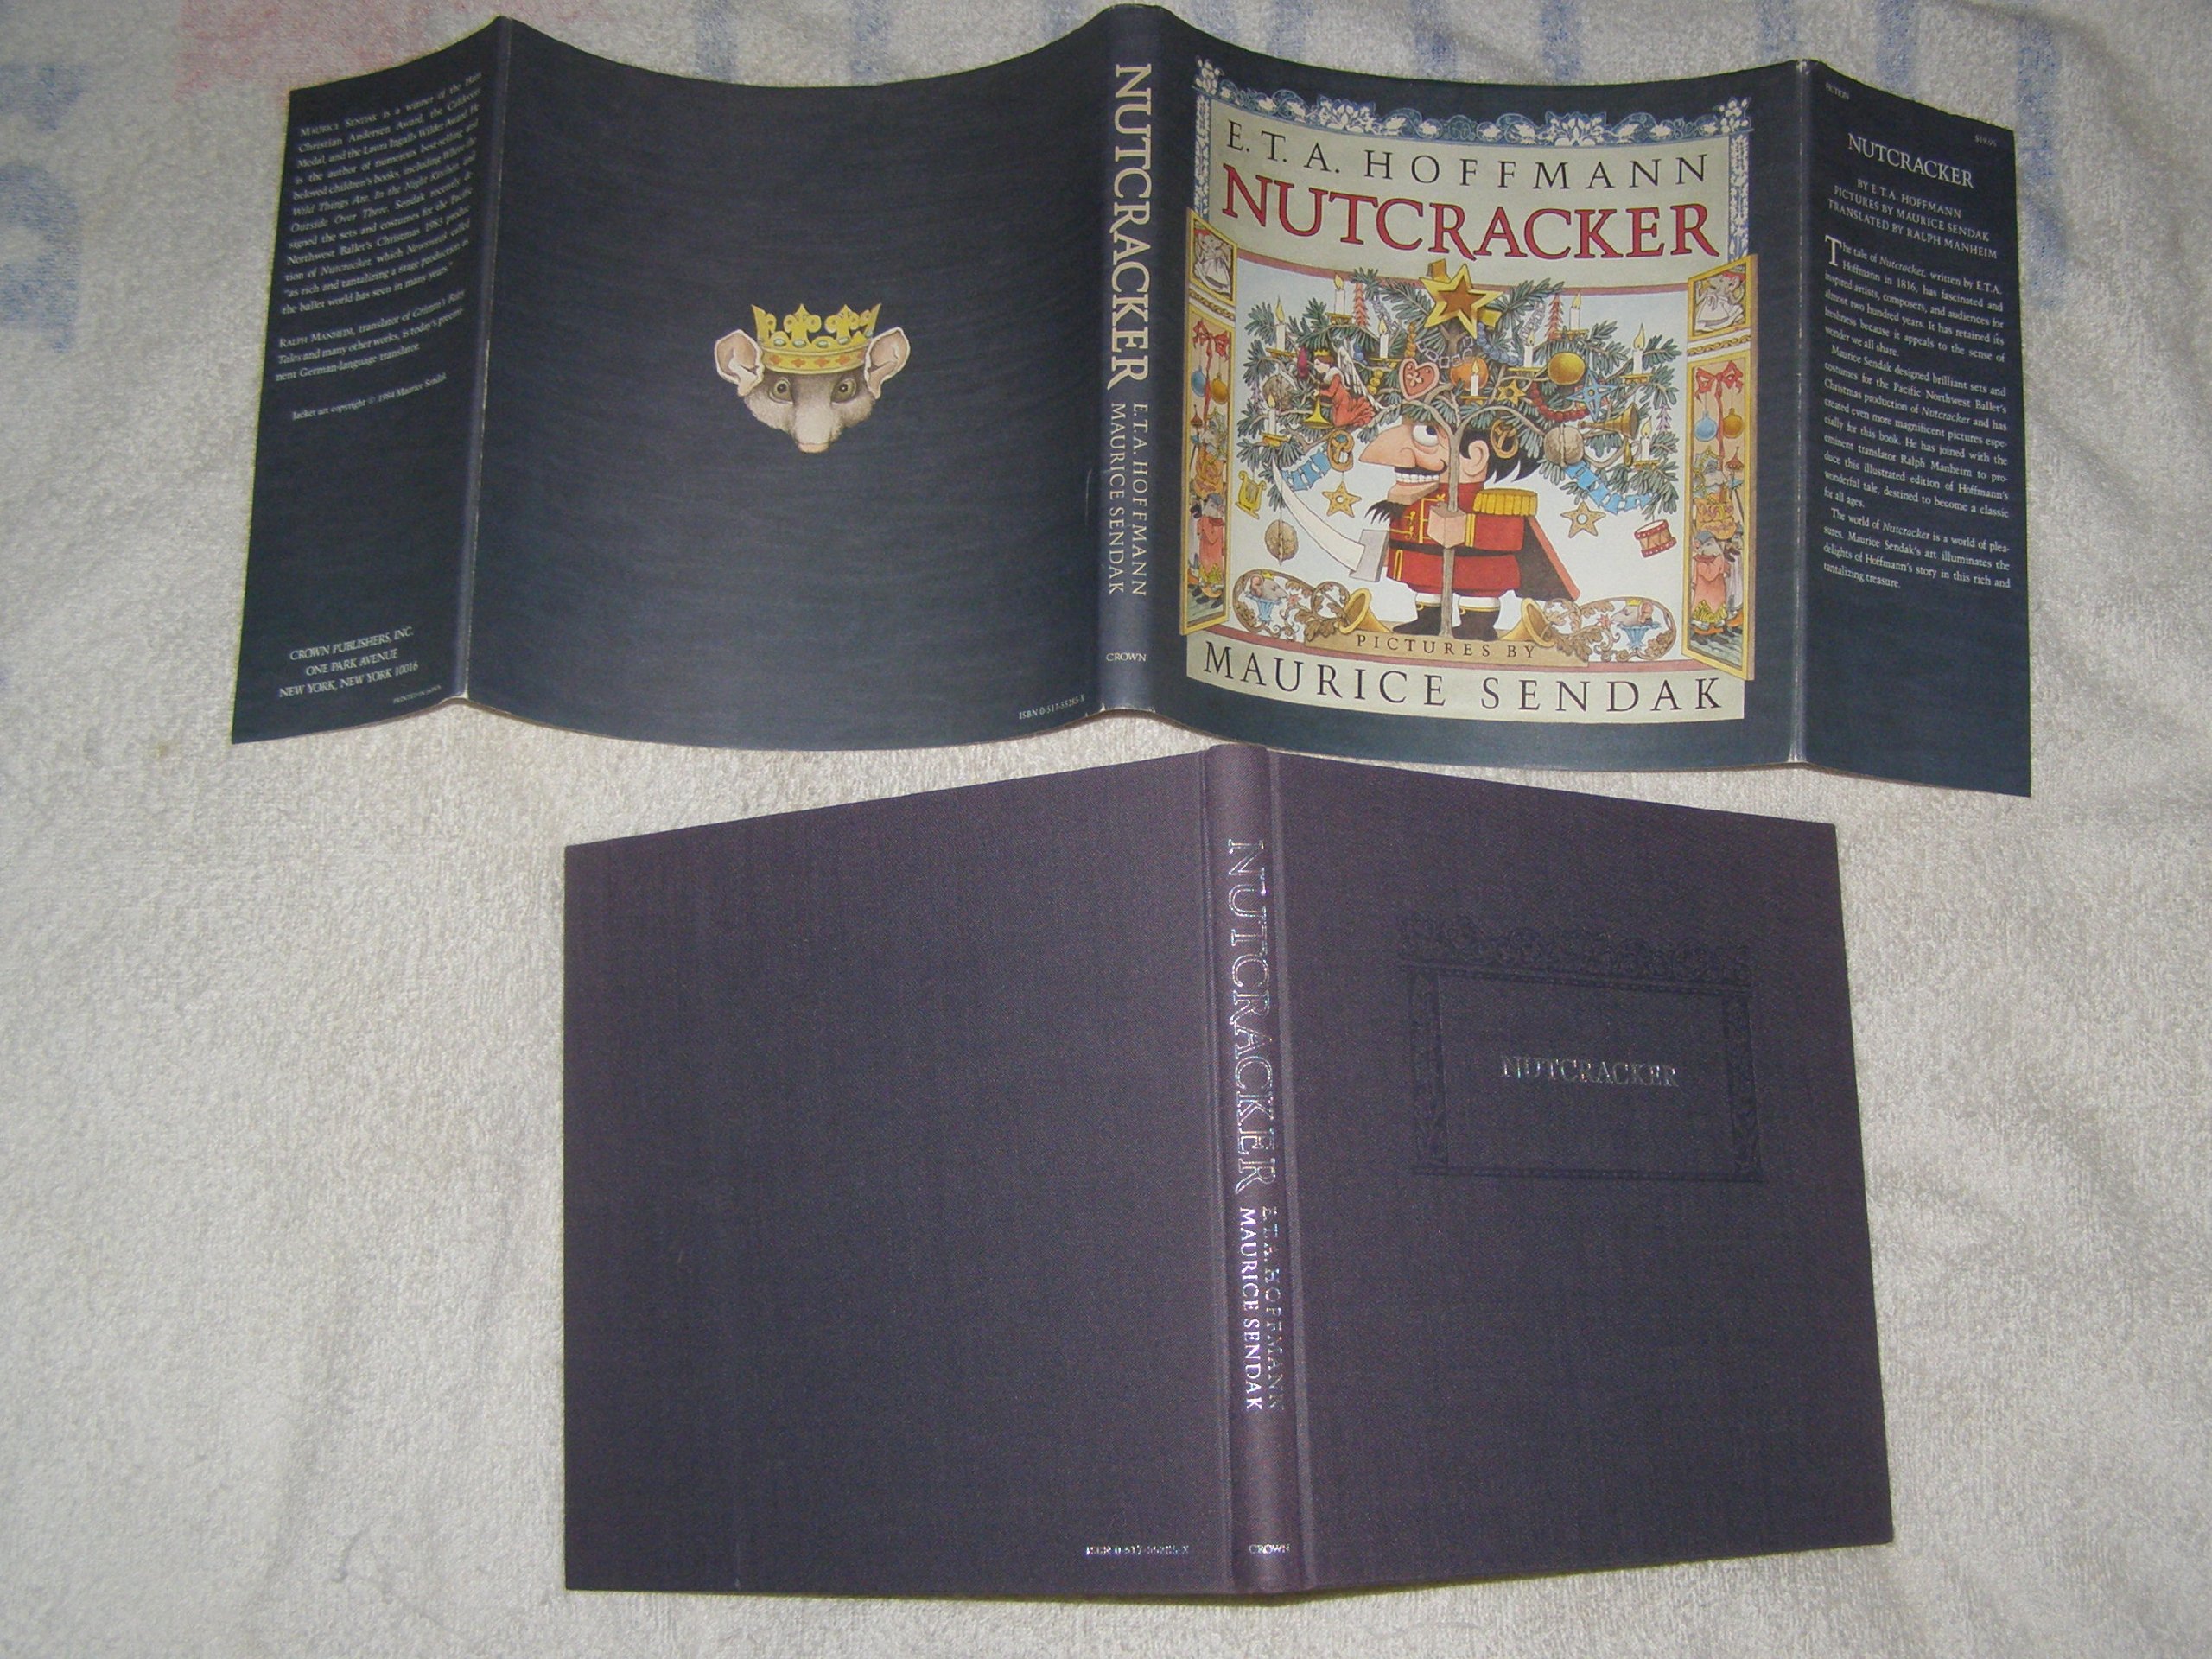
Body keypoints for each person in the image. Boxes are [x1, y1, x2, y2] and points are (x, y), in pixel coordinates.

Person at [1354, 418, 1577, 638]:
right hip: (1427, 569)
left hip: (1477, 571)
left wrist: (1466, 528)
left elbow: (1509, 535)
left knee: (1477, 595)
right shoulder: (1416, 496)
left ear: (1475, 456)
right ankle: (1428, 620)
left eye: (1429, 435)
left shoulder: (1494, 503)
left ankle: (1477, 625)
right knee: (1428, 589)